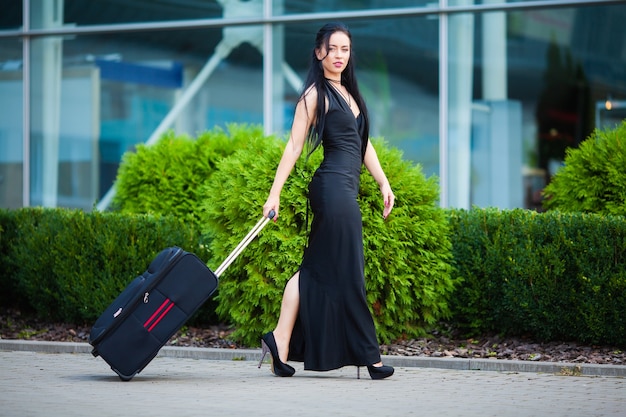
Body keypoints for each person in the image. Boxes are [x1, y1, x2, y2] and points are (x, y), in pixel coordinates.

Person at [259, 22, 395, 380]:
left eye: (345, 50)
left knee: (315, 269)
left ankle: (280, 341)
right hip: (331, 189)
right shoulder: (314, 95)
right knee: (348, 270)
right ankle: (371, 357)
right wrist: (274, 194)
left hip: (345, 188)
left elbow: (363, 145)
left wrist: (383, 182)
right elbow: (293, 147)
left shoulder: (351, 93)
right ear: (319, 51)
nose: (339, 56)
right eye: (333, 49)